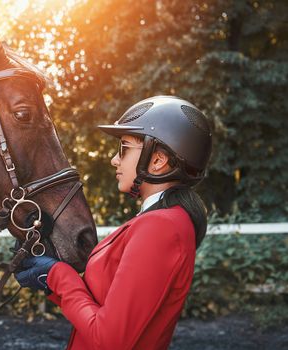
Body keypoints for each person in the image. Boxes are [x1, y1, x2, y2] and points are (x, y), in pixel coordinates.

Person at [14, 95, 212, 349]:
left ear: (158, 160)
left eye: (124, 149)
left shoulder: (161, 228)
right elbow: (103, 302)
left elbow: (110, 339)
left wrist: (58, 276)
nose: (114, 160)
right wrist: (49, 275)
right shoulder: (162, 220)